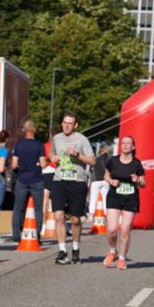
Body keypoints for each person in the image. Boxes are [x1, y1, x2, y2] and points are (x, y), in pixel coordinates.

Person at [50, 113, 95, 264]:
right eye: (64, 122)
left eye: (70, 123)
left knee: (75, 219)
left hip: (77, 182)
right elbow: (51, 153)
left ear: (75, 125)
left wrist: (77, 155)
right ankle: (62, 250)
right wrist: (52, 157)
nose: (67, 125)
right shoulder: (57, 138)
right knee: (58, 217)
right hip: (59, 181)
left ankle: (75, 248)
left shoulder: (82, 140)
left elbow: (92, 160)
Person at [102, 135, 145, 270]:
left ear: (133, 147)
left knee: (125, 230)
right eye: (123, 143)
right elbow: (106, 175)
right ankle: (112, 251)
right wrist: (111, 181)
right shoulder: (113, 161)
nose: (125, 145)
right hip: (114, 196)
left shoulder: (137, 164)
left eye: (128, 143)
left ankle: (122, 258)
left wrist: (137, 180)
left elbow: (143, 184)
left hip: (130, 198)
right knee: (112, 229)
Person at [10, 119, 45, 242]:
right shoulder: (39, 145)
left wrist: (22, 166)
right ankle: (37, 235)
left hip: (22, 180)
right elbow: (43, 164)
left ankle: (16, 235)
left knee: (18, 208)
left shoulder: (19, 144)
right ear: (34, 130)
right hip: (37, 180)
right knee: (38, 209)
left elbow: (14, 165)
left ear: (24, 130)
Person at [88, 148, 111, 220]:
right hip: (106, 180)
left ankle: (91, 215)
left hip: (96, 180)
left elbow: (90, 169)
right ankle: (105, 214)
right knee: (105, 198)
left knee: (93, 198)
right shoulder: (109, 160)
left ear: (99, 152)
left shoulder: (95, 159)